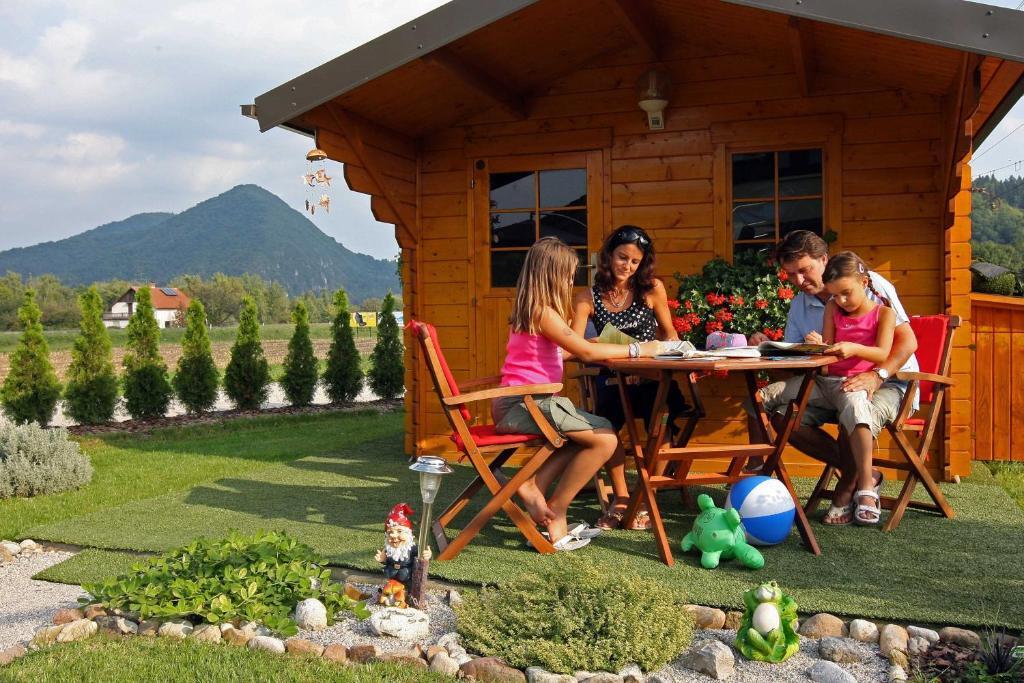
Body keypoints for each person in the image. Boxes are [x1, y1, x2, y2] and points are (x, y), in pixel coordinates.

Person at [493, 236, 662, 551]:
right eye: (568, 276)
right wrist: (641, 348)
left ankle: (532, 485)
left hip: (524, 402)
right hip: (525, 404)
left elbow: (562, 351)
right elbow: (584, 352)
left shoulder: (533, 310)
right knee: (605, 439)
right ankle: (556, 508)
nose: (570, 282)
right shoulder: (543, 312)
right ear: (553, 276)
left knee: (588, 435)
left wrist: (592, 344)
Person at [749, 231, 919, 525]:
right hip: (834, 381)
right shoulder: (801, 304)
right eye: (791, 274)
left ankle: (849, 487)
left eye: (805, 270)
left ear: (824, 260)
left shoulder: (869, 284)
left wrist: (877, 375)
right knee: (783, 415)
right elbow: (800, 362)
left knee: (854, 409)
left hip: (890, 380)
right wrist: (771, 347)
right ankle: (864, 474)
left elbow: (907, 343)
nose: (799, 281)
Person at [571, 225, 688, 530]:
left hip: (652, 377)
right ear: (608, 256)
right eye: (623, 257)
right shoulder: (587, 298)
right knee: (606, 424)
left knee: (661, 418)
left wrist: (669, 351)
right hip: (612, 378)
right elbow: (574, 347)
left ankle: (647, 496)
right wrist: (596, 345)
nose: (628, 266)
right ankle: (622, 497)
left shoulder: (652, 289)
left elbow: (669, 334)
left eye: (635, 261)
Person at [802, 252, 897, 524]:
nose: (841, 301)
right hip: (830, 381)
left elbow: (883, 353)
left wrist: (853, 348)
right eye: (835, 295)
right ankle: (854, 471)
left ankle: (865, 485)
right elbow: (829, 350)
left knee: (855, 408)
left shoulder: (885, 313)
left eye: (846, 293)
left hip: (857, 382)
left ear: (864, 282)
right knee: (773, 402)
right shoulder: (833, 307)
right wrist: (820, 346)